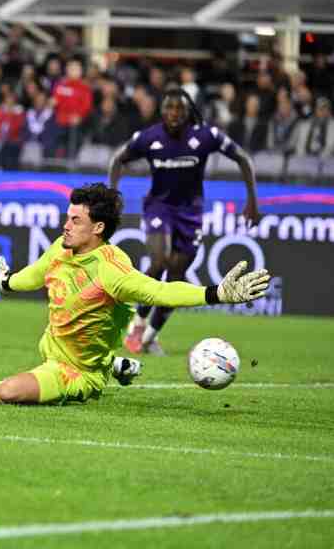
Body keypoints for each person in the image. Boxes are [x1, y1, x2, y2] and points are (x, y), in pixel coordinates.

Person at [0, 183, 270, 406]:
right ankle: (113, 362)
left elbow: (161, 291)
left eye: (75, 221)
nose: (65, 225)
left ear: (98, 228)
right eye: (67, 217)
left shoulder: (112, 271)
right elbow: (36, 274)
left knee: (8, 393)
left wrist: (215, 293)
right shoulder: (60, 248)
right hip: (54, 347)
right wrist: (8, 283)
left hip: (75, 372)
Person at [109, 88, 260, 356]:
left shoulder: (206, 136)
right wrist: (112, 193)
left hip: (190, 213)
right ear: (162, 112)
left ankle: (149, 338)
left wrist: (252, 201)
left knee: (176, 275)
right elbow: (118, 159)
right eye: (169, 108)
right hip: (159, 207)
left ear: (189, 112)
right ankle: (138, 324)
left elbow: (243, 159)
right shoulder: (150, 137)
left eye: (179, 109)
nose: (174, 114)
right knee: (159, 262)